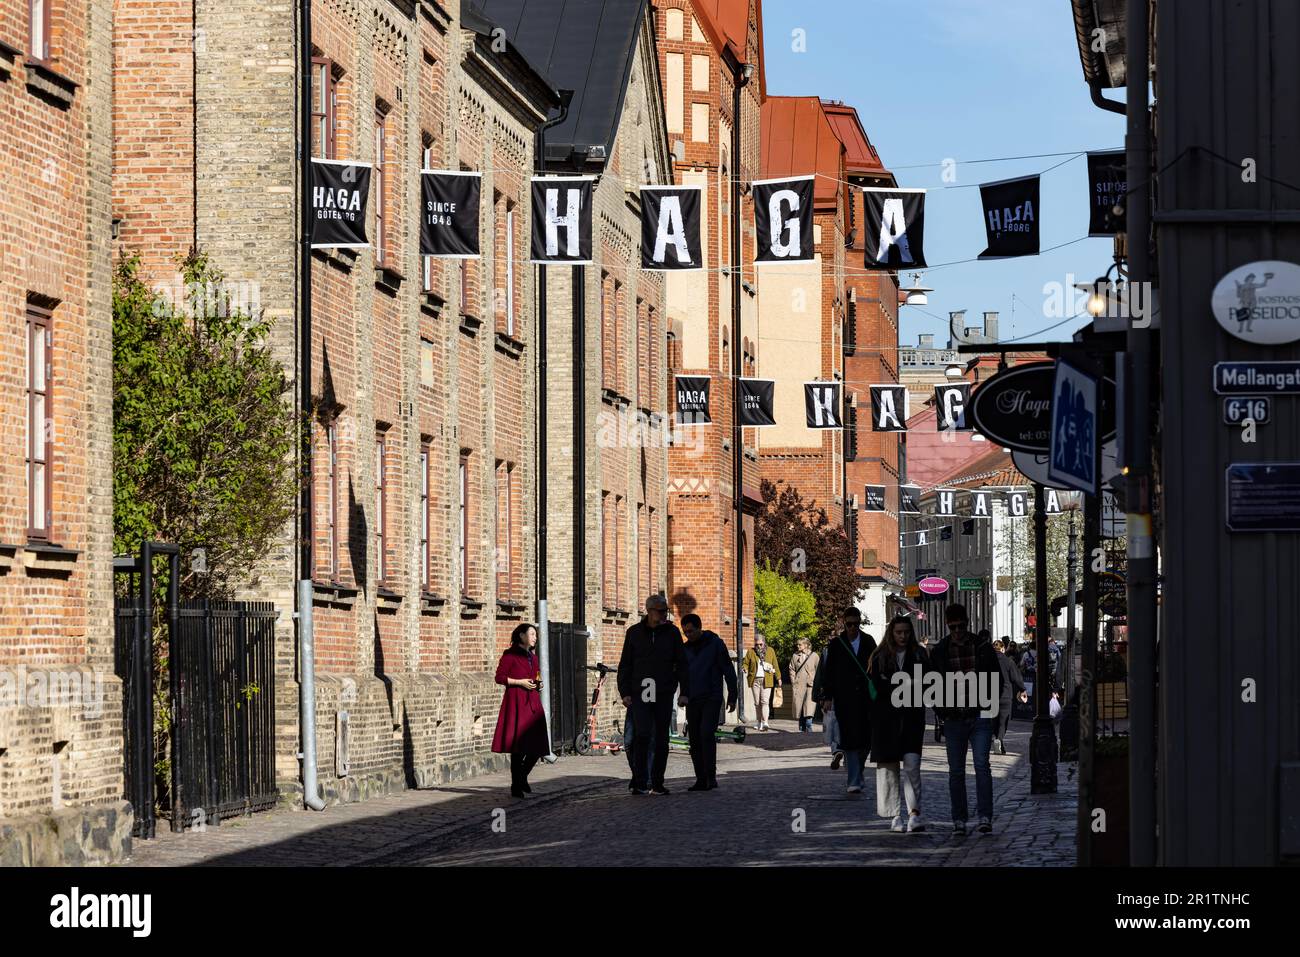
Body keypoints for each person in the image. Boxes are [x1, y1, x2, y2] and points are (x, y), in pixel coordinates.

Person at [928, 603, 1000, 835]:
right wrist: (942, 711)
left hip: (979, 715)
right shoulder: (940, 650)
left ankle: (985, 817)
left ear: (967, 623)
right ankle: (959, 819)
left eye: (960, 626)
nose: (957, 631)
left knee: (982, 766)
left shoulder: (981, 647)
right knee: (956, 771)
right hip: (954, 718)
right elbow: (931, 683)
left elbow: (996, 679)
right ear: (948, 626)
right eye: (953, 627)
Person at [617, 595, 689, 795]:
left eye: (665, 610)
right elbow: (625, 665)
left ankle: (657, 782)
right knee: (641, 737)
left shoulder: (672, 633)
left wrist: (684, 692)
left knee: (661, 739)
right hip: (641, 692)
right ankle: (640, 781)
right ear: (649, 611)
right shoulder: (634, 633)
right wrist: (625, 693)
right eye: (660, 610)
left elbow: (682, 663)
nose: (664, 614)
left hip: (664, 692)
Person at [867, 616, 928, 832]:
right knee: (888, 769)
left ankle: (914, 813)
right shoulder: (880, 656)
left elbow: (926, 684)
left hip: (912, 718)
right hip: (886, 720)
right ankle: (894, 814)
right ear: (891, 633)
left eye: (906, 632)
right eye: (898, 632)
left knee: (912, 766)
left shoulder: (920, 655)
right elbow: (876, 688)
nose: (903, 636)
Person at [819, 607, 876, 795]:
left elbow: (875, 668)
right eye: (849, 624)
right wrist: (828, 697)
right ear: (844, 623)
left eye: (856, 624)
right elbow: (830, 672)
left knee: (866, 740)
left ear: (860, 622)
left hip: (866, 700)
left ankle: (857, 772)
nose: (852, 628)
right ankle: (853, 780)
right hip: (845, 699)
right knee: (850, 739)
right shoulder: (836, 644)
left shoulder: (868, 641)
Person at [492, 622, 550, 799]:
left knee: (538, 744)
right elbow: (499, 677)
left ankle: (522, 776)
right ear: (522, 636)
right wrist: (520, 682)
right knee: (518, 748)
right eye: (532, 634)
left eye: (535, 635)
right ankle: (516, 786)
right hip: (516, 701)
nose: (535, 638)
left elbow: (537, 674)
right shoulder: (509, 656)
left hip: (532, 701)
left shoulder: (533, 656)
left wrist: (538, 684)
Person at [680, 614, 738, 791]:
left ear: (699, 628)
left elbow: (728, 669)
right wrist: (683, 694)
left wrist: (733, 695)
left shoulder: (715, 644)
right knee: (695, 739)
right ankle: (700, 778)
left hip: (712, 697)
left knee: (706, 734)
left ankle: (711, 776)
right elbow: (682, 674)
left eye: (690, 631)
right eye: (685, 632)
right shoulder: (685, 649)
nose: (688, 634)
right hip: (693, 698)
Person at [991, 639, 1027, 755]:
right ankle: (999, 740)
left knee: (993, 720)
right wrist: (1022, 689)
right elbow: (1016, 678)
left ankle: (997, 740)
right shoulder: (1008, 662)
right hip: (1005, 695)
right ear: (1002, 649)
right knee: (1003, 721)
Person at [812, 641, 843, 768]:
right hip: (850, 693)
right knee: (842, 722)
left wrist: (819, 695)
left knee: (834, 722)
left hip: (833, 693)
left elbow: (821, 674)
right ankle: (844, 750)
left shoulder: (827, 650)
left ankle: (837, 749)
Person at [742, 635, 781, 731]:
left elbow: (775, 664)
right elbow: (745, 663)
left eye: (760, 644)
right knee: (757, 703)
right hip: (755, 679)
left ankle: (765, 722)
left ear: (764, 642)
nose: (759, 646)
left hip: (766, 679)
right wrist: (745, 668)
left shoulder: (770, 650)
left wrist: (778, 677)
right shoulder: (751, 651)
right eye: (756, 644)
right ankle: (759, 722)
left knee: (765, 701)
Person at [789, 638, 819, 732]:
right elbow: (791, 669)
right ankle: (801, 730)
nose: (798, 646)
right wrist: (793, 681)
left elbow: (819, 670)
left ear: (806, 645)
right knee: (800, 708)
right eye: (797, 644)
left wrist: (816, 682)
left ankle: (809, 728)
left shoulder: (814, 656)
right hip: (799, 685)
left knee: (809, 707)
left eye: (800, 644)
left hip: (810, 685)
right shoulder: (795, 656)